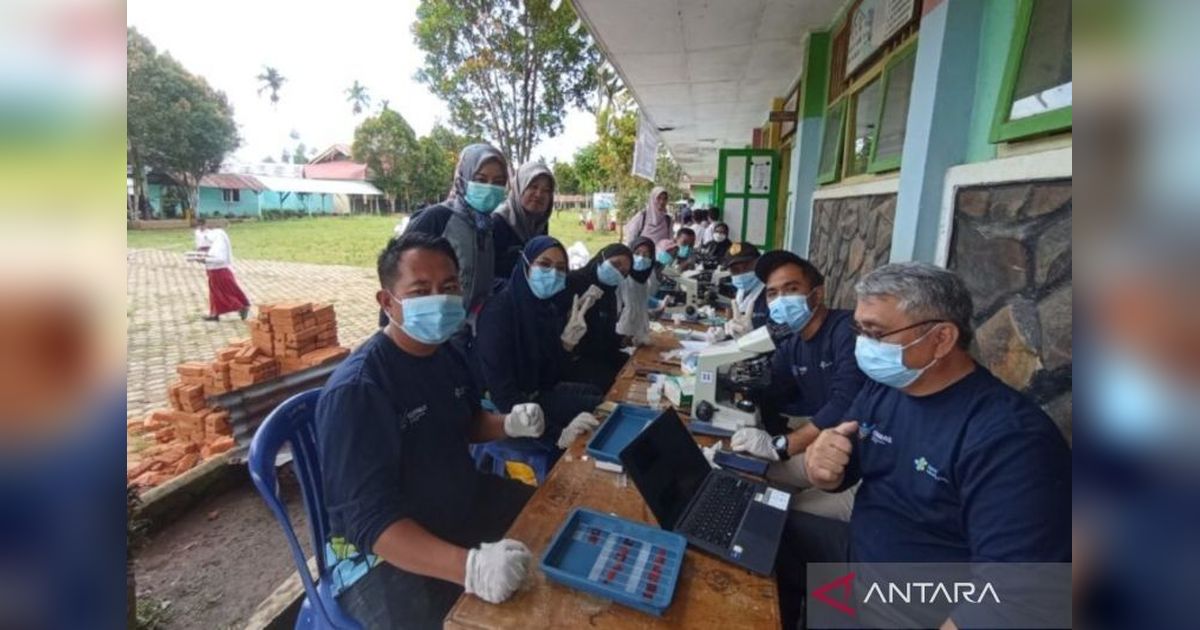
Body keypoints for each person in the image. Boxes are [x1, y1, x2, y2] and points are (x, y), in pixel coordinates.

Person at [775, 262, 1071, 629]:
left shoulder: (1010, 440)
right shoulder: (887, 387)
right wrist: (824, 464)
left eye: (876, 333)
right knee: (760, 535)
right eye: (860, 330)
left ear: (942, 338)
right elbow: (842, 464)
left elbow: (1015, 593)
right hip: (859, 562)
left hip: (913, 607)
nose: (863, 345)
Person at [317, 233, 546, 629]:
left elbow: (467, 422)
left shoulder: (448, 353)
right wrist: (470, 568)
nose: (439, 300)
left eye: (449, 287)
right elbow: (370, 522)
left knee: (552, 521)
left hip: (457, 502)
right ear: (388, 302)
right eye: (421, 290)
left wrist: (508, 423)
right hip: (381, 552)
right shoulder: (359, 390)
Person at [727, 251, 865, 521]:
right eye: (773, 293)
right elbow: (773, 387)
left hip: (862, 467)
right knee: (750, 473)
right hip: (822, 451)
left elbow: (845, 401)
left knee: (788, 514)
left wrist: (783, 445)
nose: (781, 300)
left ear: (817, 294)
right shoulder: (793, 343)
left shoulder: (846, 331)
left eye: (791, 289)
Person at [475, 235, 605, 449]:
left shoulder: (546, 309)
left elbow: (550, 378)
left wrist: (566, 345)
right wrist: (556, 435)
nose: (553, 273)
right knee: (594, 412)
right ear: (525, 265)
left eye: (561, 268)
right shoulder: (498, 313)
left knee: (598, 400)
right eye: (544, 264)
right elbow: (503, 395)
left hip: (536, 393)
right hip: (508, 411)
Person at [403, 143, 508, 326]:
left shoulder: (487, 227)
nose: (490, 188)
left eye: (498, 182)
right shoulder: (438, 217)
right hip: (432, 329)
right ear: (463, 178)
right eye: (481, 180)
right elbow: (398, 267)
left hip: (467, 333)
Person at [555, 244, 633, 391]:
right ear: (601, 257)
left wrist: (623, 340)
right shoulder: (572, 282)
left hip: (597, 354)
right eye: (615, 264)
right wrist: (569, 316)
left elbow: (604, 334)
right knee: (611, 383)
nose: (617, 272)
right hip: (572, 357)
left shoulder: (609, 293)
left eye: (623, 273)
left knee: (632, 365)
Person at [493, 162, 554, 281]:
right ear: (520, 187)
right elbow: (487, 275)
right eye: (533, 187)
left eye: (546, 190)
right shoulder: (499, 222)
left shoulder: (540, 223)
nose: (539, 194)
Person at [191, 218, 250, 322]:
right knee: (216, 292)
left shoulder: (218, 242)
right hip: (216, 271)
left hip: (219, 271)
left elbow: (217, 258)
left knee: (223, 294)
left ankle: (240, 307)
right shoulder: (213, 238)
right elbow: (204, 247)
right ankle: (215, 313)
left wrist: (203, 260)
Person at [712, 242, 771, 339]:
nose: (742, 273)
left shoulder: (771, 294)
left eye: (747, 266)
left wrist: (755, 334)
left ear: (759, 263)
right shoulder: (738, 290)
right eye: (735, 270)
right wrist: (723, 332)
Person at [616, 237, 664, 346]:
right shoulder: (622, 278)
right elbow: (618, 309)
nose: (641, 258)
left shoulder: (645, 280)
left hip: (639, 333)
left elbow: (642, 301)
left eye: (646, 255)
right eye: (637, 253)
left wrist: (656, 307)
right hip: (622, 334)